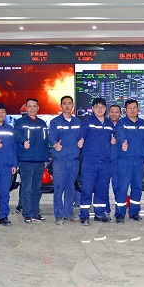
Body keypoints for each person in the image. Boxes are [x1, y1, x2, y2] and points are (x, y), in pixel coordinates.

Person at [77, 97, 115, 226]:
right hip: (90, 162)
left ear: (105, 109)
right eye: (97, 107)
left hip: (105, 162)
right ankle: (84, 215)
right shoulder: (87, 122)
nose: (100, 109)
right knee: (87, 190)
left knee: (102, 190)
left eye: (102, 107)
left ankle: (99, 214)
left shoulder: (109, 124)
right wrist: (80, 140)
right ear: (93, 108)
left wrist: (114, 140)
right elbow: (81, 135)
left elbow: (113, 137)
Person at [13, 98, 49, 224]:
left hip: (39, 161)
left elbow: (45, 142)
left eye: (34, 106)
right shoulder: (20, 122)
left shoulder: (42, 123)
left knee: (37, 189)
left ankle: (35, 212)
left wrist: (45, 159)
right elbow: (16, 135)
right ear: (26, 108)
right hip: (26, 161)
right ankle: (27, 213)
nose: (32, 109)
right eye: (29, 106)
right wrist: (23, 142)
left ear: (38, 108)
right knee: (26, 189)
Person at [48, 96, 81, 225]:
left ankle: (68, 213)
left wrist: (82, 141)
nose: (67, 106)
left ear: (72, 106)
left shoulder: (77, 121)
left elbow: (81, 136)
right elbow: (51, 136)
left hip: (74, 160)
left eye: (69, 103)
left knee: (70, 188)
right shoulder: (55, 122)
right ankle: (58, 215)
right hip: (60, 160)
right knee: (58, 188)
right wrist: (55, 144)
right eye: (64, 104)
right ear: (61, 106)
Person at [114, 100, 144, 224]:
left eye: (134, 108)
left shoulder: (143, 124)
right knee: (122, 188)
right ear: (125, 110)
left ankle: (134, 212)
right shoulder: (121, 123)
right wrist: (123, 142)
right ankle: (120, 214)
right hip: (125, 160)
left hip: (139, 161)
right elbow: (120, 135)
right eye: (129, 108)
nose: (132, 110)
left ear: (138, 109)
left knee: (137, 188)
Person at [107, 104, 122, 218]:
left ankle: (119, 212)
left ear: (120, 114)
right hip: (105, 161)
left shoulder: (123, 126)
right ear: (108, 113)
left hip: (119, 162)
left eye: (117, 112)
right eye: (112, 111)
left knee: (118, 188)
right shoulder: (104, 125)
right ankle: (105, 211)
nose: (114, 114)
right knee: (103, 188)